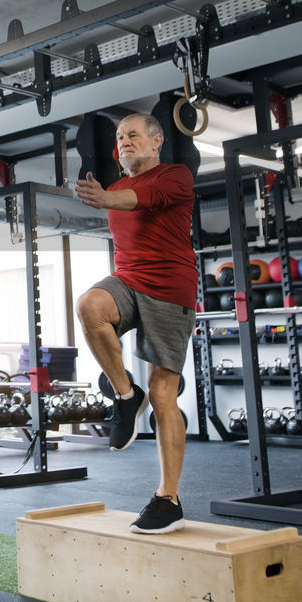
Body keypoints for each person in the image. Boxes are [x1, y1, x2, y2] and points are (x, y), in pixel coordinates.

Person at [74, 112, 197, 534]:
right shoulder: (118, 184)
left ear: (156, 141)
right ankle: (126, 396)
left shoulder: (176, 176)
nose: (125, 141)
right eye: (120, 136)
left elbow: (135, 202)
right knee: (89, 305)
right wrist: (107, 192)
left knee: (164, 393)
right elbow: (121, 198)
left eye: (133, 135)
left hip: (170, 290)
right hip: (127, 280)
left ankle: (168, 499)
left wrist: (105, 198)